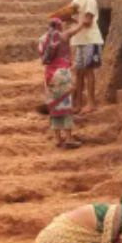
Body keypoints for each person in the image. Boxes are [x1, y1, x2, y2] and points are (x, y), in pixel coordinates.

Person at [38, 18, 81, 150]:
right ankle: (68, 138)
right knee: (66, 105)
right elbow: (80, 26)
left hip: (50, 73)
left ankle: (57, 138)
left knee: (54, 105)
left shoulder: (43, 38)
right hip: (62, 72)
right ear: (59, 26)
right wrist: (74, 19)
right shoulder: (64, 35)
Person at [67, 0, 104, 117]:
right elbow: (77, 18)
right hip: (81, 40)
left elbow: (88, 21)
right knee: (79, 72)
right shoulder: (76, 0)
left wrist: (73, 21)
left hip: (90, 39)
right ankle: (78, 104)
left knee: (88, 71)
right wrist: (68, 17)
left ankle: (91, 103)